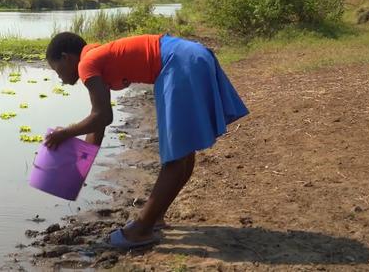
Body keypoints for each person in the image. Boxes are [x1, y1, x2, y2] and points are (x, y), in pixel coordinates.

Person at [44, 32, 249, 248]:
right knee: (184, 152)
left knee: (176, 156)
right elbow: (99, 123)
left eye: (57, 70)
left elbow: (103, 116)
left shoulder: (87, 64)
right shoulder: (96, 57)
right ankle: (155, 216)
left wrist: (64, 133)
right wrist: (77, 168)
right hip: (191, 55)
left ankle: (141, 229)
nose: (60, 78)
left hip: (177, 62)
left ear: (66, 57)